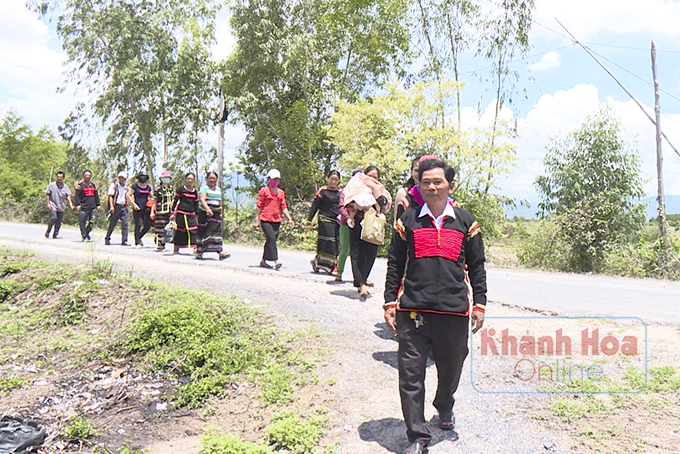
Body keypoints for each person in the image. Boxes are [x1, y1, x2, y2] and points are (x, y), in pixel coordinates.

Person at [384, 158, 487, 454]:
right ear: (418, 186)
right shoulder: (407, 221)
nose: (431, 187)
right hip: (412, 310)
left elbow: (477, 266)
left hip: (453, 311)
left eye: (437, 182)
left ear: (450, 186)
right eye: (425, 182)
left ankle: (444, 404)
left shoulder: (466, 222)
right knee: (410, 373)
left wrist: (480, 303)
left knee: (452, 367)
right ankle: (417, 436)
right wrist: (389, 301)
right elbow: (395, 263)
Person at [341, 166, 391, 298]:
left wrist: (373, 187)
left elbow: (383, 203)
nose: (372, 179)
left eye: (375, 177)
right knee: (357, 253)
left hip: (372, 225)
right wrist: (357, 206)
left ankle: (363, 278)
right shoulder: (356, 187)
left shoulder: (380, 188)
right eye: (370, 176)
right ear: (364, 175)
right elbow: (348, 203)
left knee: (371, 253)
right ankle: (361, 284)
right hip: (357, 223)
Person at [253, 169, 294, 269]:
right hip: (265, 219)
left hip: (276, 220)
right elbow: (259, 206)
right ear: (269, 179)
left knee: (271, 240)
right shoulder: (264, 191)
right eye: (273, 179)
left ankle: (263, 260)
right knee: (271, 238)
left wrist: (289, 218)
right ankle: (276, 261)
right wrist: (256, 219)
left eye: (277, 179)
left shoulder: (281, 192)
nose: (275, 181)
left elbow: (283, 207)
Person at [306, 170, 341, 274]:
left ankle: (318, 262)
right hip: (325, 219)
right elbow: (315, 206)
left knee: (336, 242)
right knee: (328, 242)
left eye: (336, 179)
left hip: (337, 221)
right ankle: (330, 267)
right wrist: (309, 220)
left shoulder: (341, 192)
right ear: (328, 179)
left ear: (339, 181)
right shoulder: (323, 191)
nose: (333, 181)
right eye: (332, 179)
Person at [196, 171, 231, 260]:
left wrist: (221, 212)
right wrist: (208, 209)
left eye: (214, 178)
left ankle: (220, 251)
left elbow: (219, 202)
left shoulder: (218, 189)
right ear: (207, 179)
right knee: (205, 232)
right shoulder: (204, 188)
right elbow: (202, 200)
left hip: (216, 213)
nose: (212, 180)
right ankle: (200, 251)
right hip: (206, 213)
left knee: (217, 232)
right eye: (210, 178)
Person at [170, 173, 199, 255]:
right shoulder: (180, 189)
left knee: (193, 230)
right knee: (180, 230)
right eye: (188, 178)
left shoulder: (195, 192)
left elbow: (196, 204)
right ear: (185, 179)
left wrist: (197, 214)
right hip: (181, 213)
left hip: (191, 214)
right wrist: (172, 213)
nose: (190, 180)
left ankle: (195, 248)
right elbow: (175, 201)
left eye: (191, 179)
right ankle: (176, 248)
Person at [44, 171, 74, 239]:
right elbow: (47, 194)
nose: (59, 178)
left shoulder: (65, 187)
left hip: (61, 206)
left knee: (59, 221)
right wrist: (48, 204)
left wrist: (70, 203)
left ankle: (55, 234)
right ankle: (48, 231)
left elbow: (68, 195)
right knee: (54, 218)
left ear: (63, 178)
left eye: (61, 177)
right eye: (58, 177)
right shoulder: (51, 185)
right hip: (53, 205)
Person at [128, 172, 153, 249]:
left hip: (146, 209)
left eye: (144, 176)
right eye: (141, 176)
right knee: (138, 225)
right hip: (137, 208)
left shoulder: (148, 187)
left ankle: (139, 237)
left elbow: (152, 196)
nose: (143, 178)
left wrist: (150, 205)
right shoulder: (135, 186)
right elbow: (128, 195)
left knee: (147, 226)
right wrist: (134, 205)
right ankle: (137, 242)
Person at [74, 169, 101, 242]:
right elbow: (77, 196)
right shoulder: (80, 186)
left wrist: (98, 205)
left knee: (93, 221)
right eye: (86, 175)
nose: (88, 177)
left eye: (89, 175)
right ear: (83, 176)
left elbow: (96, 195)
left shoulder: (93, 185)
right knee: (82, 223)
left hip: (92, 207)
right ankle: (84, 236)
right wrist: (78, 205)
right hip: (83, 207)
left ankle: (86, 232)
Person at [105, 171, 130, 246]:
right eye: (120, 178)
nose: (121, 179)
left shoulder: (126, 187)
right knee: (113, 223)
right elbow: (110, 197)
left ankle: (124, 240)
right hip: (116, 206)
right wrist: (111, 207)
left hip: (124, 206)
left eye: (123, 178)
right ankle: (107, 238)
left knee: (125, 223)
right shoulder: (114, 186)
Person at [151, 170, 174, 252]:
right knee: (160, 229)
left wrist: (173, 211)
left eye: (168, 178)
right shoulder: (158, 189)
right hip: (160, 211)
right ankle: (160, 245)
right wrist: (152, 212)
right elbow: (154, 201)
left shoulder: (171, 189)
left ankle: (161, 242)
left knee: (166, 229)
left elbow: (173, 200)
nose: (166, 179)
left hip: (168, 211)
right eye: (165, 178)